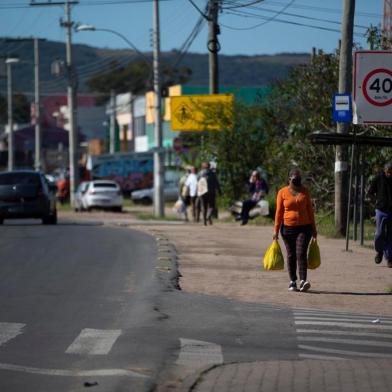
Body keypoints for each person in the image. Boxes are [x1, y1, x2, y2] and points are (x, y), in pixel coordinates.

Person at [273, 168, 317, 292]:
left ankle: (303, 280)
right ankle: (293, 281)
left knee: (301, 252)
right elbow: (278, 212)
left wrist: (314, 228)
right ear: (289, 179)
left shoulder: (305, 192)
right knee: (291, 254)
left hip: (304, 227)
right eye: (295, 179)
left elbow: (310, 211)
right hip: (287, 229)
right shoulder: (282, 192)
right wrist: (275, 231)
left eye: (299, 178)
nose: (298, 181)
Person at [367, 162, 392, 268]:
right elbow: (369, 193)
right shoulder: (378, 178)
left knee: (390, 235)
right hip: (381, 210)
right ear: (384, 170)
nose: (389, 174)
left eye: (391, 172)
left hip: (391, 211)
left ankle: (389, 258)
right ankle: (379, 252)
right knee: (379, 233)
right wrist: (376, 201)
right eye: (388, 172)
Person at [198, 161, 221, 226]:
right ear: (209, 166)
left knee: (203, 206)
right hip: (211, 192)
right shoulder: (213, 173)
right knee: (212, 206)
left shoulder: (200, 173)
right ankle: (208, 216)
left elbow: (197, 182)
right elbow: (217, 183)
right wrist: (219, 191)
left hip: (202, 192)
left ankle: (204, 221)